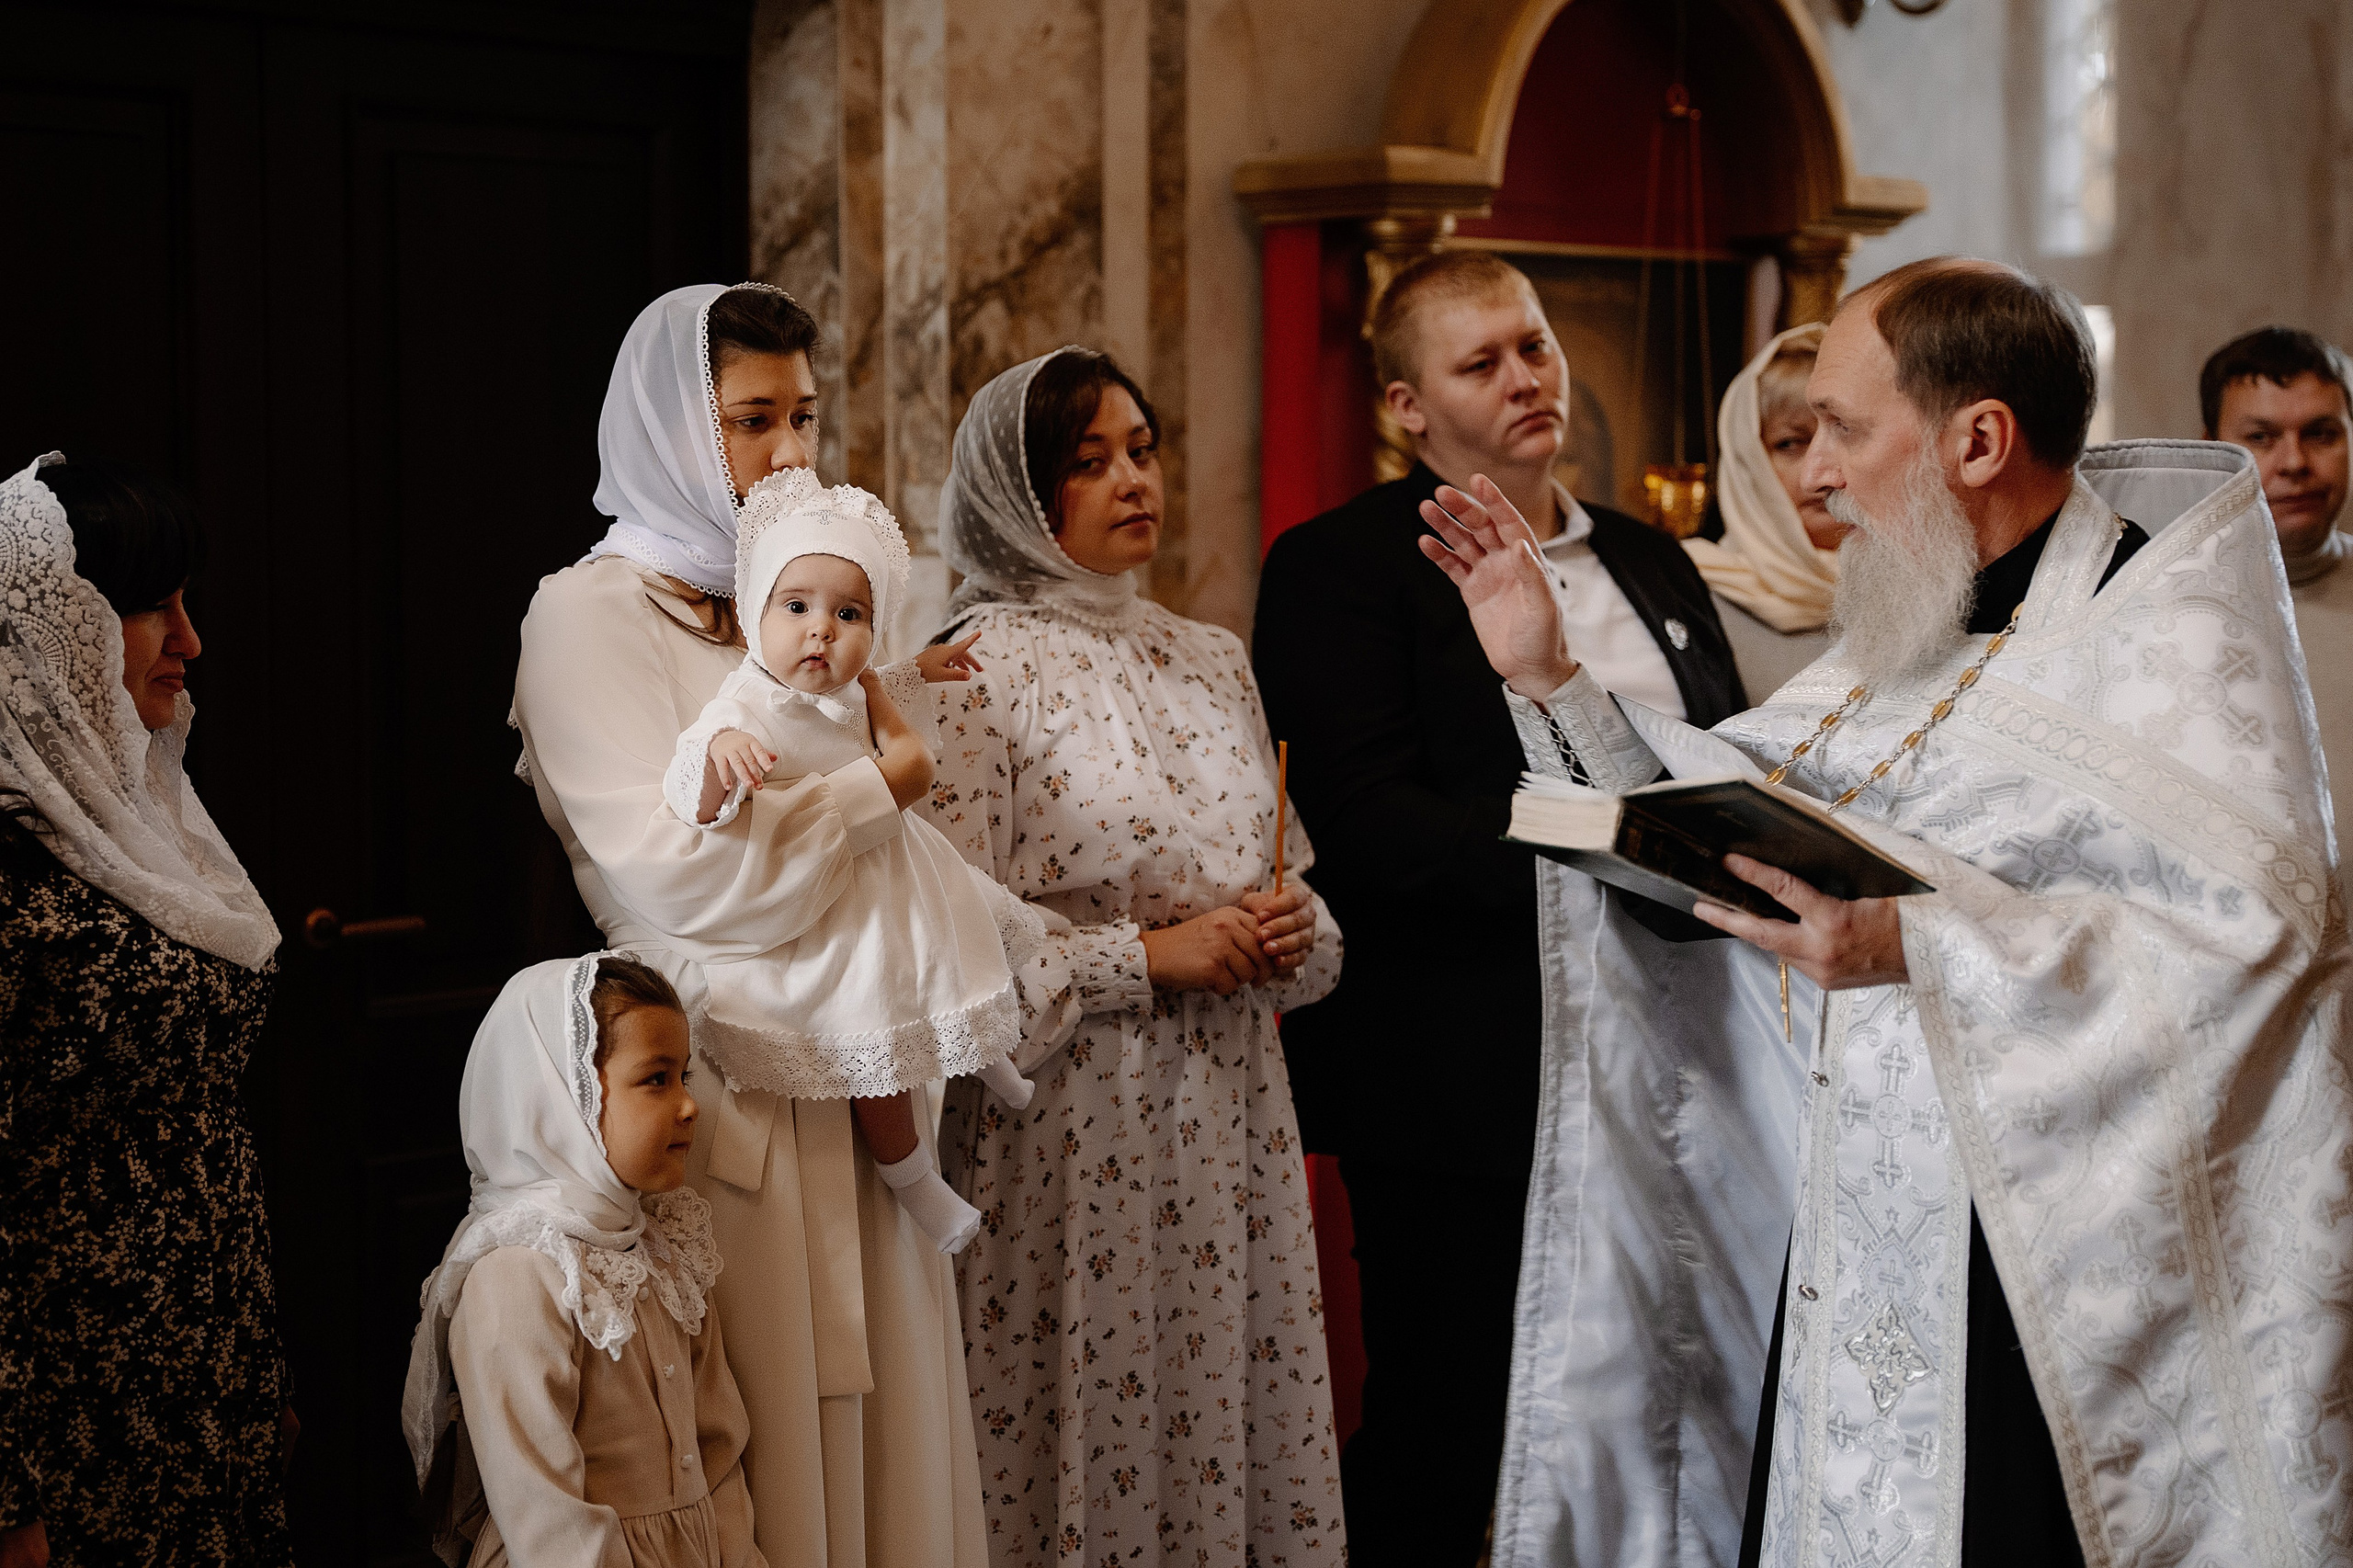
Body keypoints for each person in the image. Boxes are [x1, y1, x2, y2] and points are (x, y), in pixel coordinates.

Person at [1423, 257, 2351, 1567]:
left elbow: (2261, 940)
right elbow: (1729, 863)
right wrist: (1555, 679)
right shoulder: (1905, 625)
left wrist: (1921, 942)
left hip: (2048, 1277)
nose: (1814, 475)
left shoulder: (2158, 633)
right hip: (1864, 1221)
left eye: (1844, 432)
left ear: (1977, 438)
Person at [1251, 248, 1745, 1567]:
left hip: (1677, 1053)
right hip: (1461, 1069)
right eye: (1483, 361)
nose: (1527, 377)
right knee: (1450, 1414)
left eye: (1534, 344)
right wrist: (1615, 852)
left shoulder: (1650, 558)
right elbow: (1367, 821)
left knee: (1657, 1397)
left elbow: (1718, 755)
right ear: (1408, 407)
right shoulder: (1340, 564)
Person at [511, 282, 986, 1568]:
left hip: (866, 1061)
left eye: (807, 417)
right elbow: (682, 880)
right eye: (751, 420)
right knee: (766, 1461)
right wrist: (872, 794)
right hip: (718, 1091)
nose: (790, 456)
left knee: (894, 1458)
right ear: (671, 426)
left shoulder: (807, 593)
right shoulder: (583, 616)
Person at [923, 347, 1347, 1568]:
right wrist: (1149, 958)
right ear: (1018, 489)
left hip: (1227, 1122)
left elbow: (1296, 885)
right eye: (1089, 460)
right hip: (1068, 1130)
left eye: (1143, 451)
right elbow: (950, 965)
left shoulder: (1210, 654)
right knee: (1077, 1435)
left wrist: (1291, 932)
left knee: (1221, 1421)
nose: (1132, 480)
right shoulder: (973, 668)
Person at [0, 456, 292, 1568]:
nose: (190, 639)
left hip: (200, 1366)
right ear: (50, 629)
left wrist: (261, 1367)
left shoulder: (138, 821)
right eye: (150, 607)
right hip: (75, 1404)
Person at [666, 467, 1038, 1253]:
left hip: (897, 866)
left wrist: (921, 671)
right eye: (796, 608)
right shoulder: (747, 700)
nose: (821, 631)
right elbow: (692, 788)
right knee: (883, 1038)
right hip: (836, 901)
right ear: (755, 612)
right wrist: (720, 751)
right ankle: (917, 1183)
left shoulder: (854, 683)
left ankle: (990, 1054)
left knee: (975, 923)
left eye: (849, 614)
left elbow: (871, 690)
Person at [403, 954, 759, 1567]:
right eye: (656, 1079)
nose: (688, 1105)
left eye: (685, 1076)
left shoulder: (666, 1252)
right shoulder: (517, 1273)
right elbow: (540, 1505)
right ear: (565, 1098)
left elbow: (719, 1451)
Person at [2200, 327, 2352, 831]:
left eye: (2321, 434)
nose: (2295, 463)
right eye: (2261, 438)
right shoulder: (2153, 603)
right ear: (2212, 452)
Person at [1687, 323, 1846, 696]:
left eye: (1845, 434)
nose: (1821, 469)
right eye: (1790, 443)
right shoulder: (1690, 595)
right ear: (1747, 464)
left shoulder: (1926, 592)